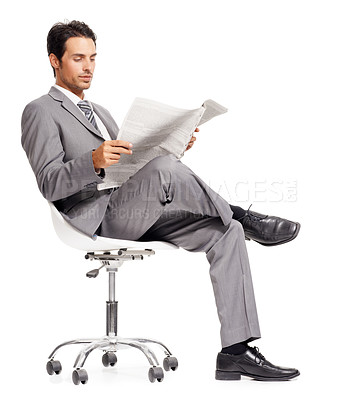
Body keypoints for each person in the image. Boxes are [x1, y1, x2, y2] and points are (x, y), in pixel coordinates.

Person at [21, 20, 300, 381]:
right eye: (78, 58)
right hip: (96, 219)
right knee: (171, 173)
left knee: (224, 231)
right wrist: (92, 161)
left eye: (93, 57)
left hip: (136, 208)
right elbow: (48, 182)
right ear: (55, 61)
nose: (88, 67)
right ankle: (245, 217)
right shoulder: (40, 110)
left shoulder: (101, 112)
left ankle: (235, 352)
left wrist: (173, 144)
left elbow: (133, 168)